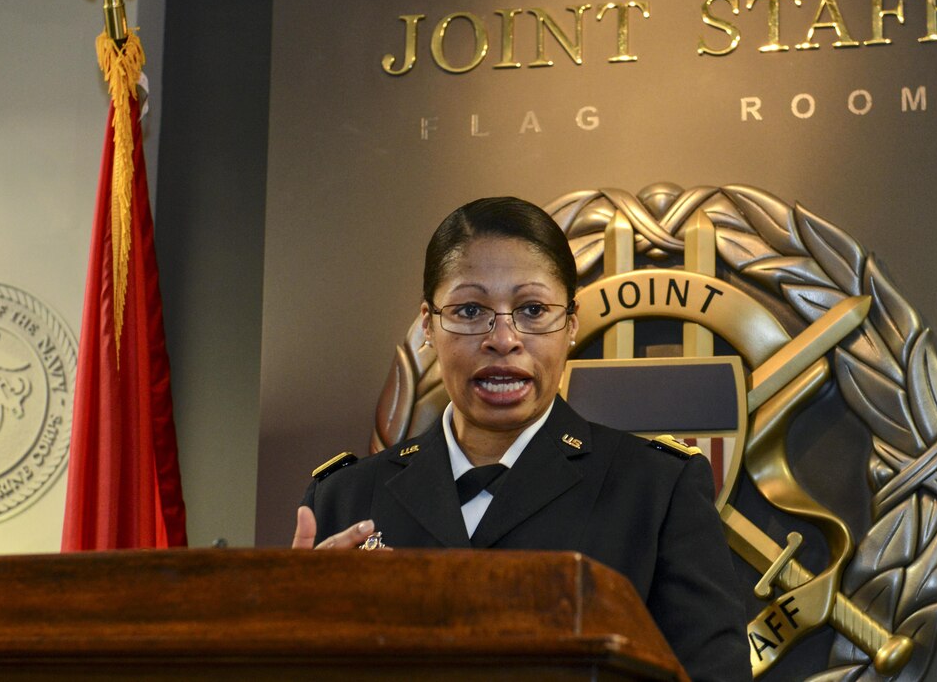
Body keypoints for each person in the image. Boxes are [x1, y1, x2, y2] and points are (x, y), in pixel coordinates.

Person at [293, 196, 750, 681]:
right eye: (471, 310)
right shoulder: (343, 498)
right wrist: (286, 637)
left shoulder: (656, 490)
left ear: (571, 324)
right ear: (427, 325)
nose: (504, 338)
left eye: (533, 309)